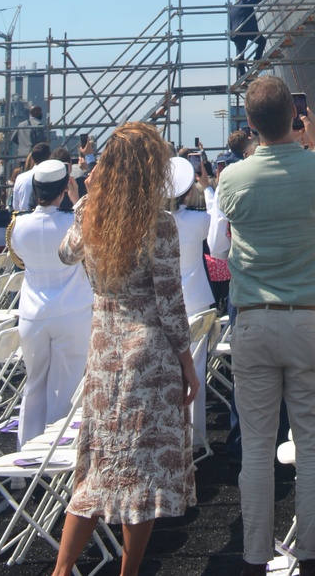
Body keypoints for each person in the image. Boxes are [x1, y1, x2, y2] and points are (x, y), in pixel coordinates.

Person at [212, 76, 315, 576]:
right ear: (292, 118)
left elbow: (220, 244)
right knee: (312, 448)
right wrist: (313, 136)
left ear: (250, 124)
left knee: (256, 450)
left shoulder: (232, 178)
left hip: (252, 322)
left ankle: (255, 557)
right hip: (309, 321)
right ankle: (313, 555)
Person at [49, 123, 199, 576]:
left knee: (98, 468)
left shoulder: (91, 216)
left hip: (104, 351)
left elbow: (65, 255)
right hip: (147, 356)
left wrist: (84, 202)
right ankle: (128, 572)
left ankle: (61, 570)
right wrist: (188, 367)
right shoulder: (158, 225)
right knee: (143, 473)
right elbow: (171, 305)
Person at [8, 160, 93, 447]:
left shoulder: (17, 224)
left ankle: (25, 456)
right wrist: (77, 198)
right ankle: (57, 455)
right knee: (66, 388)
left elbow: (19, 261)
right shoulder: (73, 223)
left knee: (33, 385)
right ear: (64, 186)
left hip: (33, 313)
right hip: (72, 312)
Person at [167, 156, 214, 443]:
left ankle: (171, 434)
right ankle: (195, 439)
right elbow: (216, 220)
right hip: (195, 300)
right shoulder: (198, 220)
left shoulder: (151, 223)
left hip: (164, 303)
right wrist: (206, 189)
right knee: (195, 369)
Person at [228, 0, 278, 81]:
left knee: (240, 54)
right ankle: (257, 59)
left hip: (236, 33)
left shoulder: (232, 9)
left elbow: (230, 23)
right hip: (247, 30)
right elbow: (255, 0)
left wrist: (232, 34)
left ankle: (242, 73)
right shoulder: (245, 2)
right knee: (262, 41)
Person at [12, 142, 52, 213]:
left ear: (32, 159)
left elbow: (15, 206)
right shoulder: (52, 177)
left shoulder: (20, 178)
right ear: (49, 157)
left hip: (23, 219)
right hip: (46, 219)